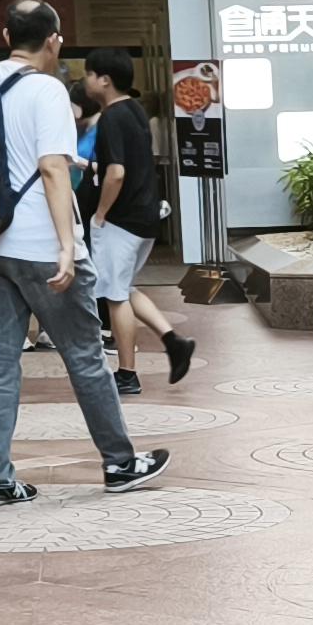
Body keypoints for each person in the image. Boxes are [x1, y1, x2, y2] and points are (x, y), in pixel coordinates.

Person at [0, 0, 166, 509]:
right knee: (86, 357)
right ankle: (118, 462)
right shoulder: (45, 91)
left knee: (0, 362)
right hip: (41, 247)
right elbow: (52, 169)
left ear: (5, 35)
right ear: (54, 40)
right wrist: (68, 244)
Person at [76, 48, 196, 383]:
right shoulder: (135, 111)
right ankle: (174, 342)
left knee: (115, 297)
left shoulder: (112, 116)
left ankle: (127, 373)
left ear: (104, 80)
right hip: (144, 217)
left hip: (121, 219)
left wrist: (100, 214)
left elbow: (116, 173)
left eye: (88, 74)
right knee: (123, 287)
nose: (85, 80)